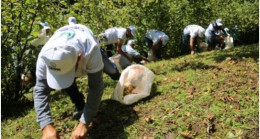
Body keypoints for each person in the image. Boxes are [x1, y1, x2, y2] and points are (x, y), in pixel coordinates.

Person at [34, 23, 104, 139]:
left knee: (109, 69)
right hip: (63, 36)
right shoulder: (44, 56)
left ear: (79, 58)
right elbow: (40, 91)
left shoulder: (91, 49)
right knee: (68, 85)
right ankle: (80, 105)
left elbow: (96, 87)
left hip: (85, 35)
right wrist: (46, 125)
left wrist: (84, 124)